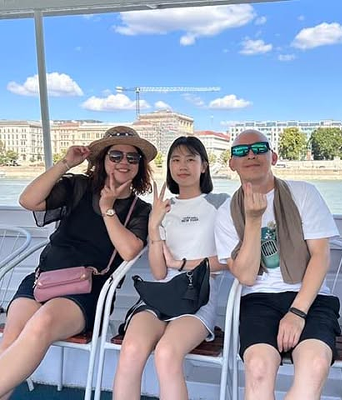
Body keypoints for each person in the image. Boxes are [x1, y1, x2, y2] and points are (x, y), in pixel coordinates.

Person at [0, 126, 156, 400]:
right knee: (12, 336)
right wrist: (66, 163)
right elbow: (28, 200)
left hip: (87, 290)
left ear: (139, 166)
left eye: (132, 158)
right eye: (115, 156)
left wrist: (108, 208)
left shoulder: (140, 210)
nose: (124, 162)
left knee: (41, 324)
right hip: (42, 279)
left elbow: (129, 250)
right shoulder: (78, 188)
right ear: (102, 161)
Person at [215, 129, 341, 400]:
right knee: (258, 368)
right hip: (258, 299)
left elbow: (320, 256)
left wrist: (297, 312)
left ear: (273, 156)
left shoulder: (303, 193)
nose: (251, 155)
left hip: (311, 297)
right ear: (232, 163)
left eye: (259, 148)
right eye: (241, 151)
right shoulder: (226, 212)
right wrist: (253, 220)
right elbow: (246, 277)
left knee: (316, 364)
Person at [113, 136, 228, 400]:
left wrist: (183, 264)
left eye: (190, 159)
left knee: (166, 353)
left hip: (199, 295)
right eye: (175, 160)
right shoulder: (163, 208)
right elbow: (159, 273)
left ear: (204, 166)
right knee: (131, 349)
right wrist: (154, 226)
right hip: (161, 293)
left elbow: (229, 260)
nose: (182, 165)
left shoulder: (221, 202)